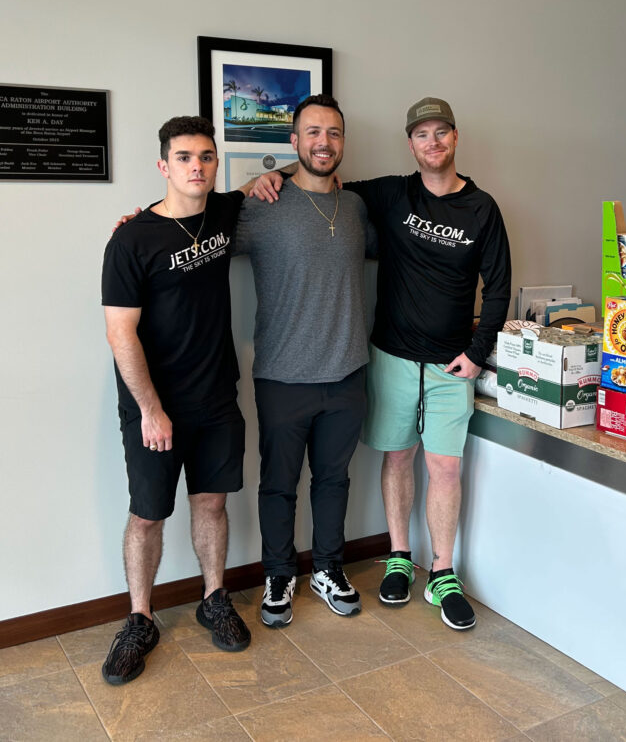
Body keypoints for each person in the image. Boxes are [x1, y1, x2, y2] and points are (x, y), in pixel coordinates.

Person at [252, 96, 511, 631]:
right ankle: (398, 559)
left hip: (451, 365)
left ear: (455, 138)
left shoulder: (482, 208)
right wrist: (265, 178)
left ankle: (443, 572)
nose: (432, 142)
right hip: (389, 355)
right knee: (396, 459)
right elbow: (319, 181)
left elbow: (500, 286)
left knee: (445, 467)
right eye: (422, 134)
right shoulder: (389, 193)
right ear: (410, 143)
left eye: (441, 132)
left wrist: (477, 352)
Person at [100, 116, 251, 685]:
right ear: (164, 165)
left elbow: (280, 177)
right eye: (184, 157)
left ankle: (214, 598)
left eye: (207, 157)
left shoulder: (225, 212)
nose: (197, 166)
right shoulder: (131, 239)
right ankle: (140, 619)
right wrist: (151, 409)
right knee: (147, 515)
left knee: (211, 503)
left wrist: (283, 172)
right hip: (153, 406)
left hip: (216, 398)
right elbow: (120, 333)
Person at [236, 93, 374, 628]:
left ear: (343, 142)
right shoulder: (261, 206)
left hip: (347, 373)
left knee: (334, 480)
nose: (324, 142)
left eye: (333, 133)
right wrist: (140, 221)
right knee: (278, 484)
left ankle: (328, 568)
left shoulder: (356, 207)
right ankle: (279, 574)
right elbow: (198, 228)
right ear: (294, 142)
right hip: (282, 375)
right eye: (313, 132)